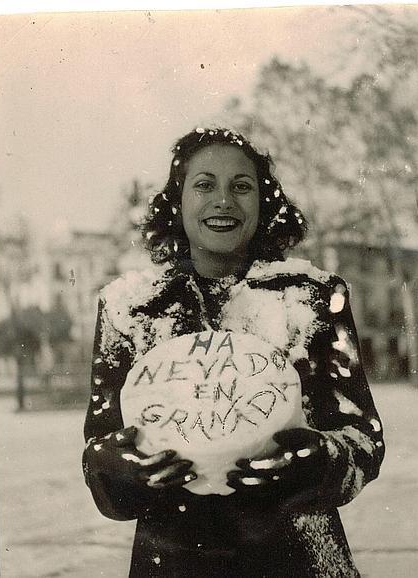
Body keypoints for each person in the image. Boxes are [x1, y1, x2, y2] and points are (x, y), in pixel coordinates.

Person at [82, 127, 385, 577]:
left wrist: (316, 461)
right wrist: (118, 469)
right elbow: (100, 444)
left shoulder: (315, 297)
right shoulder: (129, 307)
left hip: (296, 556)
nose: (223, 200)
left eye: (241, 186)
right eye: (204, 184)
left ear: (264, 203)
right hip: (175, 559)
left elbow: (363, 438)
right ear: (177, 201)